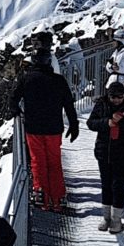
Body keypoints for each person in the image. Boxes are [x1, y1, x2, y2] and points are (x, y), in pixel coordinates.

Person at [11, 54, 79, 213]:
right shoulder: (59, 80)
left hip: (33, 128)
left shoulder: (27, 79)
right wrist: (73, 124)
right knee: (54, 162)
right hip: (54, 129)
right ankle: (58, 199)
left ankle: (41, 196)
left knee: (38, 161)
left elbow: (13, 99)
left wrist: (17, 111)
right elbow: (69, 104)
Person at [86, 81, 124, 233]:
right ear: (108, 95)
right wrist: (108, 122)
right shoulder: (101, 104)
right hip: (103, 151)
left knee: (118, 185)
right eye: (113, 97)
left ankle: (116, 219)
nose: (117, 100)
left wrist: (122, 122)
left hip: (122, 153)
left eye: (120, 97)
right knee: (105, 184)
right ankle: (106, 217)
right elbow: (91, 123)